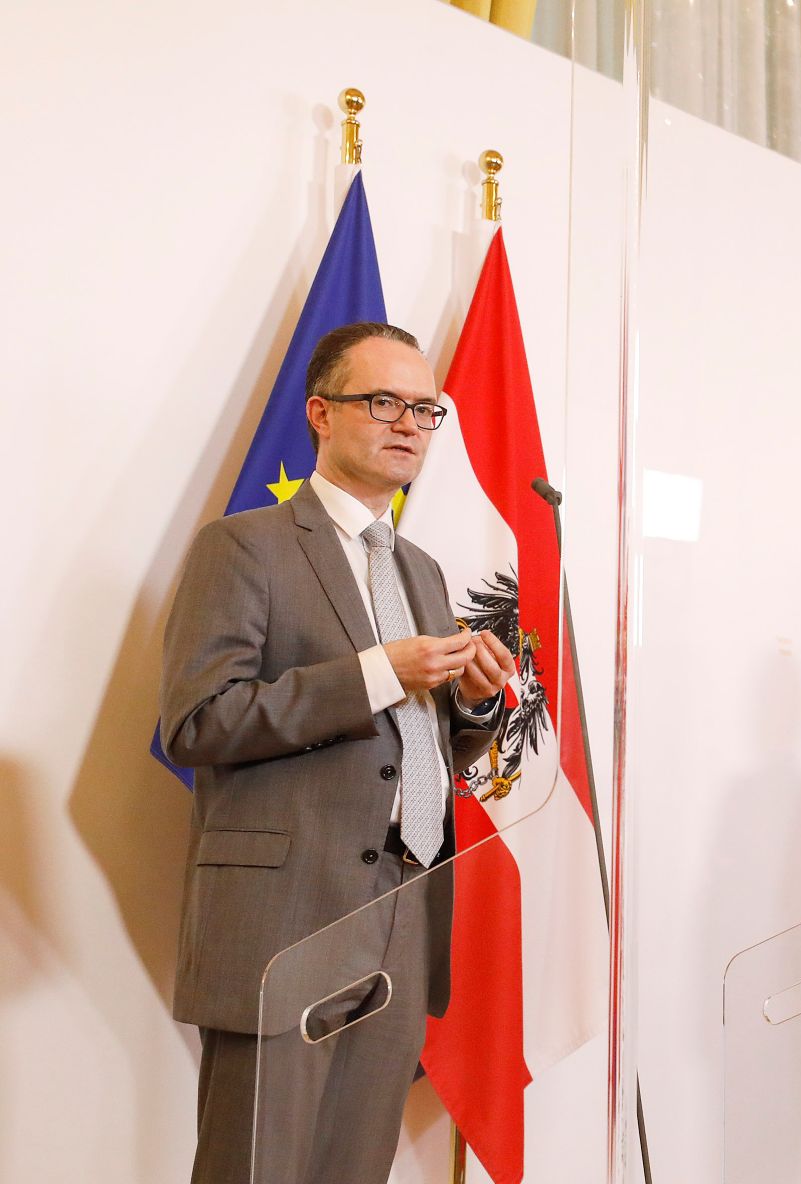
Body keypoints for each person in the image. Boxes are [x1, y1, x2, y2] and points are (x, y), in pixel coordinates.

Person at [159, 322, 518, 1183]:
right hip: (286, 919)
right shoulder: (243, 546)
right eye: (384, 402)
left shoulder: (422, 570)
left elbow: (413, 747)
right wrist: (376, 672)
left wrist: (471, 705)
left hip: (403, 907)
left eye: (425, 410)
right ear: (321, 413)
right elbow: (198, 722)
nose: (409, 425)